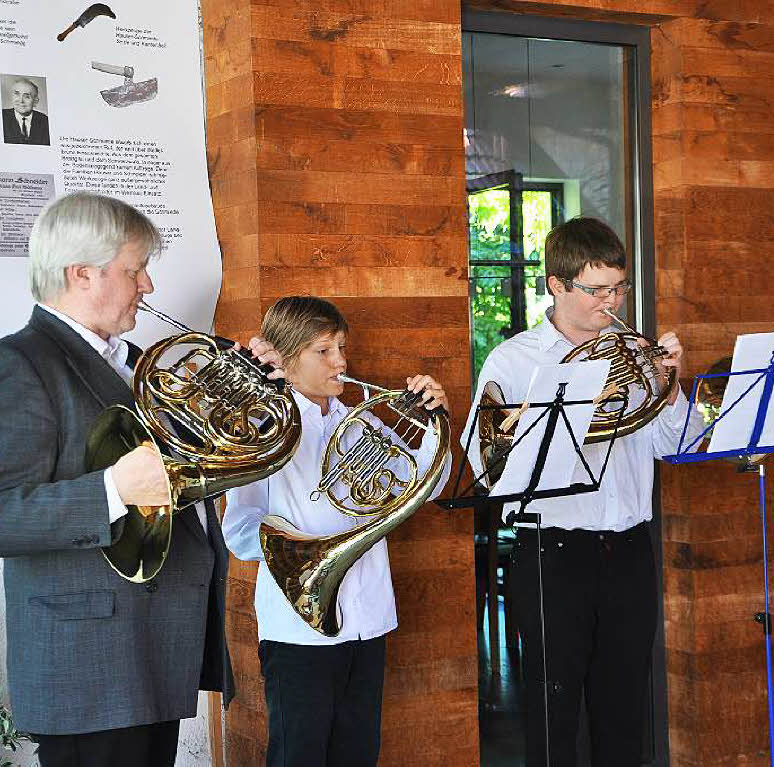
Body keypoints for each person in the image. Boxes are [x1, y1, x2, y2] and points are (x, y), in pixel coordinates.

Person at [0, 192, 283, 767]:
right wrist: (111, 491)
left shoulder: (133, 361)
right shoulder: (21, 363)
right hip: (89, 665)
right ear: (83, 274)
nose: (148, 287)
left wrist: (251, 396)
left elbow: (185, 476)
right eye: (135, 271)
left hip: (153, 646)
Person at [462, 216, 701, 766]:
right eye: (596, 290)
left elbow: (676, 445)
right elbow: (484, 459)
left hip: (630, 549)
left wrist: (670, 386)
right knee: (554, 713)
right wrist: (529, 423)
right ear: (557, 285)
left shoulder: (636, 353)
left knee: (624, 710)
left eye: (618, 287)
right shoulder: (515, 359)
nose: (610, 301)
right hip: (553, 552)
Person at [222, 295, 451, 767]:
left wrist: (436, 424)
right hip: (297, 630)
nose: (341, 362)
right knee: (298, 755)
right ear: (285, 360)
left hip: (366, 619)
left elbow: (425, 487)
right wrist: (307, 549)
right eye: (323, 351)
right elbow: (239, 530)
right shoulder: (263, 430)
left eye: (341, 347)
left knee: (357, 753)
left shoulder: (359, 422)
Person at [2, 77, 50, 145]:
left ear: (35, 101)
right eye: (17, 94)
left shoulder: (45, 121)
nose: (21, 101)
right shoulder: (2, 116)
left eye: (27, 96)